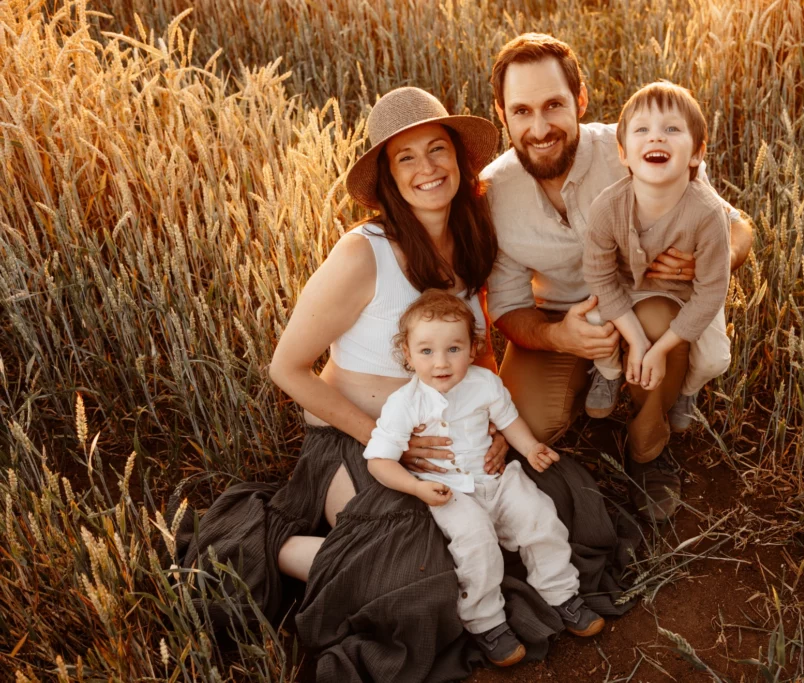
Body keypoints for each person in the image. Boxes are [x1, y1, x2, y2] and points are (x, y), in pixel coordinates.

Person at [171, 87, 636, 682]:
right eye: (406, 158)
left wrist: (493, 422)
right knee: (423, 579)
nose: (427, 169)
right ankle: (272, 546)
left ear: (459, 159)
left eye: (436, 150)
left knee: (558, 501)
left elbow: (480, 349)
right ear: (389, 177)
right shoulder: (362, 254)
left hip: (453, 436)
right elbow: (286, 369)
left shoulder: (470, 241)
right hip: (359, 444)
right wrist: (384, 441)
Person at [482, 33, 754, 522]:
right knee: (529, 426)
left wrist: (712, 261)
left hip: (645, 300)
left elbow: (736, 226)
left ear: (580, 100)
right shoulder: (493, 192)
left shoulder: (635, 147)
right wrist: (557, 336)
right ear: (502, 114)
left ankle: (649, 449)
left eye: (554, 105)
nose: (539, 127)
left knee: (653, 324)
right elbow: (504, 305)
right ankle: (594, 377)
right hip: (561, 315)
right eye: (521, 111)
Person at [363, 289, 605, 667]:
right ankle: (486, 620)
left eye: (453, 349)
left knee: (540, 517)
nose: (441, 362)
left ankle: (562, 593)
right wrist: (416, 487)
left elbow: (508, 420)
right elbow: (379, 460)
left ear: (473, 349)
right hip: (448, 490)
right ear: (407, 355)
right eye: (426, 351)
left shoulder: (484, 383)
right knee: (475, 542)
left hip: (496, 478)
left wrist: (528, 449)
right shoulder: (404, 404)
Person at [583, 82, 730, 403]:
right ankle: (608, 372)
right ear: (623, 154)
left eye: (672, 128)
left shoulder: (707, 213)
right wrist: (637, 340)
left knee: (715, 358)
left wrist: (661, 349)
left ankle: (686, 391)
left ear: (696, 154)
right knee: (593, 322)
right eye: (642, 129)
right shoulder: (607, 208)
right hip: (627, 287)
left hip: (688, 293)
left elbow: (711, 292)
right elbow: (601, 277)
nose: (656, 136)